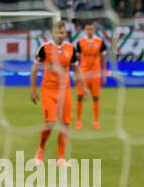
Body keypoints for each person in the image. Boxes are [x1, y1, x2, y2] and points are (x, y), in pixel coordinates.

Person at [30, 20, 86, 166]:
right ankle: (40, 151)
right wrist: (33, 90)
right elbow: (35, 69)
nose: (60, 35)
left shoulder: (70, 48)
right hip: (48, 90)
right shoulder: (44, 48)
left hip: (65, 90)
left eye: (62, 32)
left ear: (65, 33)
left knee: (65, 124)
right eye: (57, 32)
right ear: (52, 33)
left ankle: (60, 158)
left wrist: (84, 88)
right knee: (49, 123)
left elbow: (77, 69)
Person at [74, 21, 110, 130]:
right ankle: (78, 121)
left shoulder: (100, 42)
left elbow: (103, 58)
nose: (89, 31)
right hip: (84, 73)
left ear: (94, 30)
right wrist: (76, 74)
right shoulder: (80, 42)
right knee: (80, 96)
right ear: (85, 30)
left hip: (95, 73)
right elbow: (77, 60)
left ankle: (95, 122)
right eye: (88, 29)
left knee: (96, 97)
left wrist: (104, 73)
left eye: (91, 29)